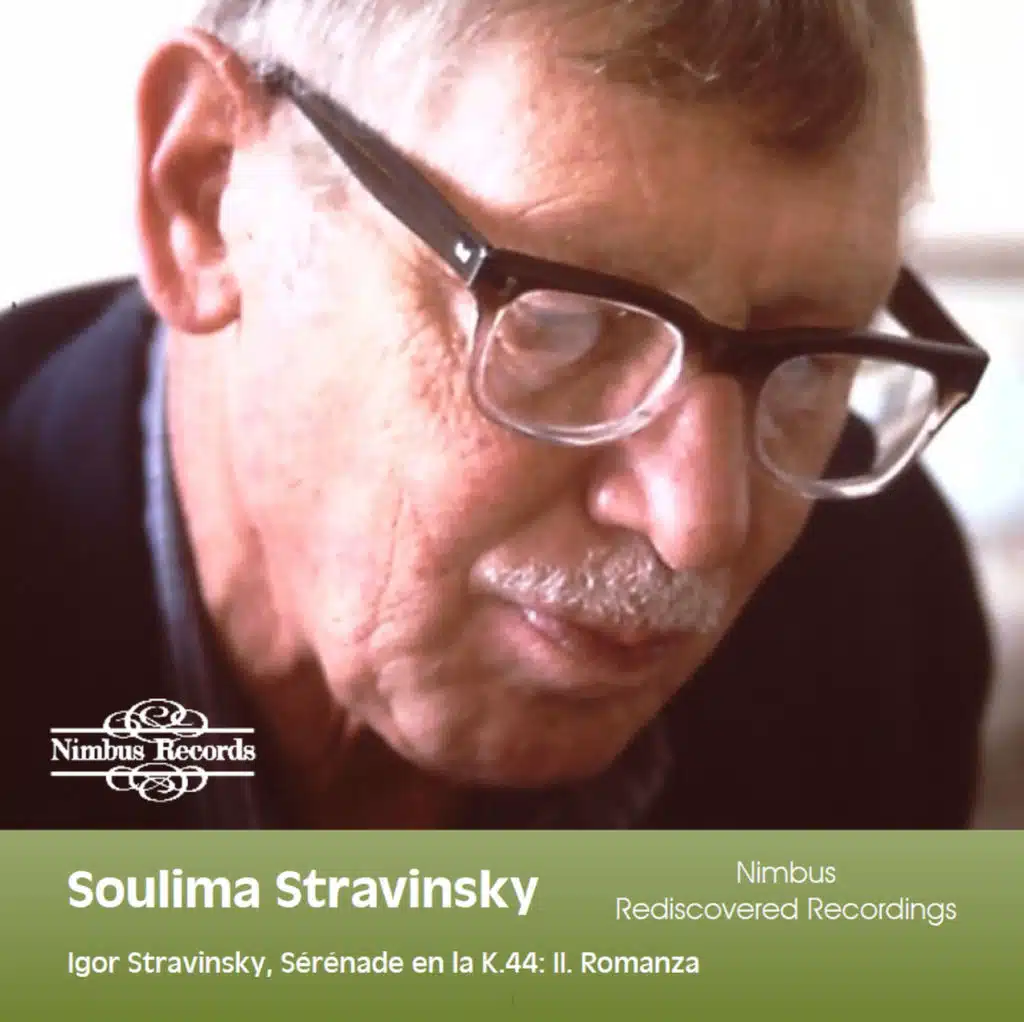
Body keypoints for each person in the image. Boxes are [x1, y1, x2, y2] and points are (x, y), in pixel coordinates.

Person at [0, 0, 993, 829]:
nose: (697, 525)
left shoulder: (875, 609)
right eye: (561, 321)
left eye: (809, 354)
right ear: (212, 196)